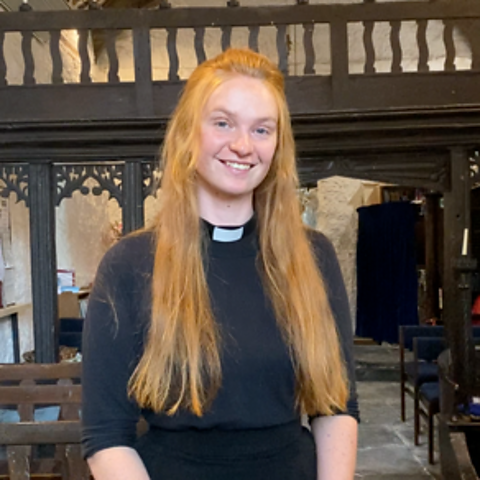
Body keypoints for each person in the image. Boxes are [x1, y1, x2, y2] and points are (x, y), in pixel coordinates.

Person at [81, 48, 359, 480]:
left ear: (277, 147)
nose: (243, 145)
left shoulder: (314, 257)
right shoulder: (129, 265)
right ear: (189, 133)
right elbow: (106, 437)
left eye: (262, 129)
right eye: (223, 123)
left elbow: (337, 408)